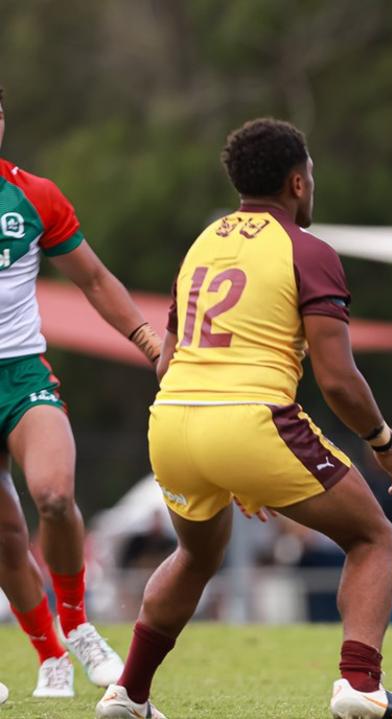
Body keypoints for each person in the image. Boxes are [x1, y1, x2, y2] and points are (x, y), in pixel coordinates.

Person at [94, 118, 392, 719]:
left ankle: (128, 693)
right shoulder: (309, 251)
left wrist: (240, 469)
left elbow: (170, 360)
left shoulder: (203, 243)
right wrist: (383, 440)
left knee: (196, 557)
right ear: (298, 182)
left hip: (171, 423)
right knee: (373, 536)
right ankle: (359, 684)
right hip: (251, 421)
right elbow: (336, 379)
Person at [0, 85, 159, 697]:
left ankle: (78, 625)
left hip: (21, 375)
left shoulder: (33, 195)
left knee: (54, 495)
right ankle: (50, 657)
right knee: (6, 535)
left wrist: (148, 341)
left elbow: (92, 277)